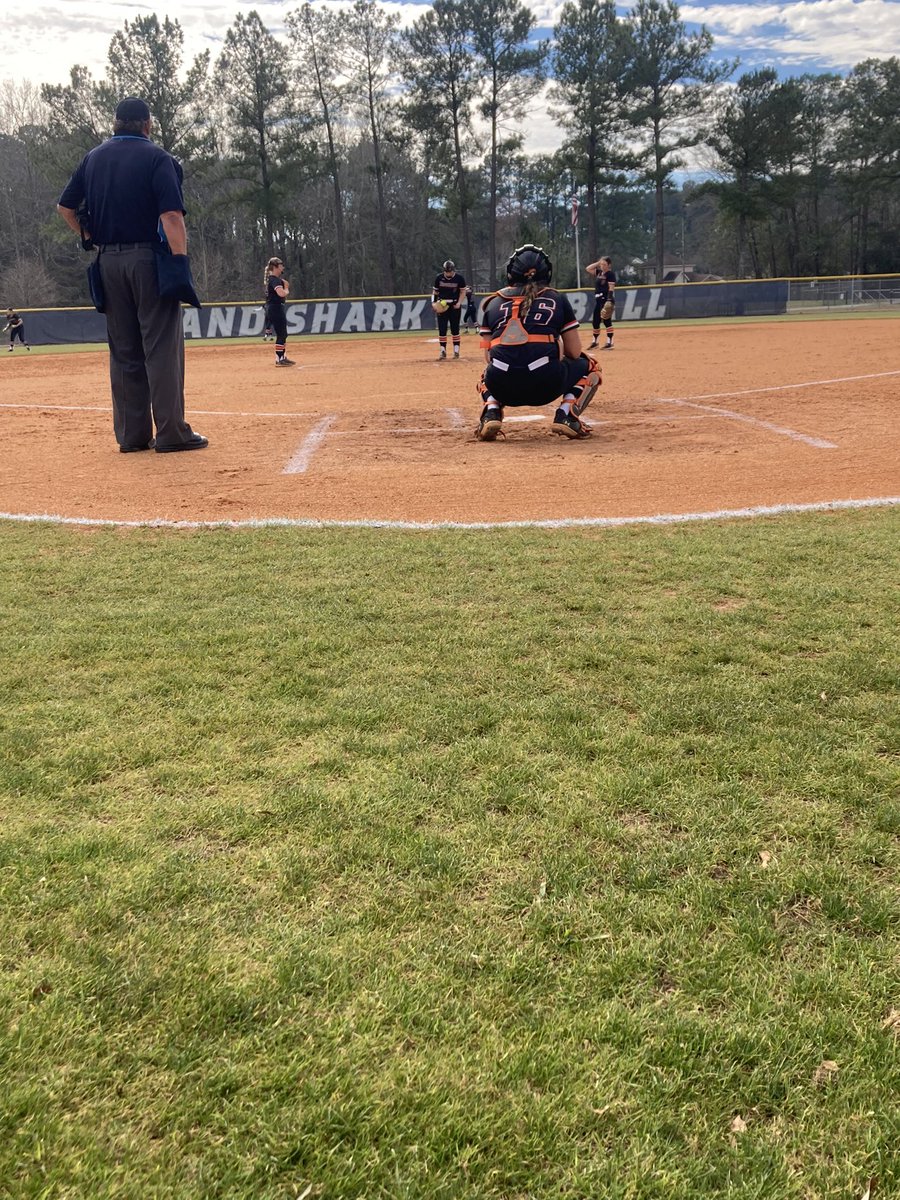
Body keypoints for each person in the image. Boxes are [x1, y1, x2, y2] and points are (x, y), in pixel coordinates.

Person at [56, 96, 207, 453]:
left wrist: (91, 237)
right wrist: (179, 260)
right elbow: (171, 216)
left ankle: (131, 436)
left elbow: (65, 207)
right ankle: (171, 433)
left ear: (116, 123)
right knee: (161, 348)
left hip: (108, 262)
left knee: (124, 351)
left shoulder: (92, 158)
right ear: (147, 124)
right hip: (148, 261)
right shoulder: (158, 158)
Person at [475, 244, 601, 442]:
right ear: (546, 272)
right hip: (546, 384)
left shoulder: (492, 303)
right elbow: (575, 352)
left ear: (511, 273)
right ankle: (567, 414)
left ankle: (491, 411)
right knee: (592, 366)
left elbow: (488, 356)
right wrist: (553, 349)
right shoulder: (556, 298)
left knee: (486, 374)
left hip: (503, 387)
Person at [431, 260, 466, 359]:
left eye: (449, 271)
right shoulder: (439, 278)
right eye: (446, 271)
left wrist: (459, 303)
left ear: (453, 270)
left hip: (454, 305)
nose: (448, 273)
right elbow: (435, 292)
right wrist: (433, 303)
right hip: (442, 306)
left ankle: (456, 351)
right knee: (442, 329)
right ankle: (443, 351)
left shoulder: (459, 279)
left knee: (455, 329)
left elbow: (463, 292)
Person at [264, 258, 294, 365]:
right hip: (275, 308)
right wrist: (286, 289)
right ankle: (279, 358)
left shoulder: (273, 279)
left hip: (274, 308)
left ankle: (282, 356)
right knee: (281, 333)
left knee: (283, 334)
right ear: (276, 266)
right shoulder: (274, 279)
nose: (283, 267)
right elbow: (281, 293)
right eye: (281, 265)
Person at [585, 255, 617, 349]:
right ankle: (595, 342)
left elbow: (611, 288)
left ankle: (610, 342)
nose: (602, 266)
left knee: (607, 321)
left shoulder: (610, 274)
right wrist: (598, 263)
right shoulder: (599, 273)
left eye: (604, 264)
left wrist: (609, 300)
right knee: (595, 321)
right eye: (601, 264)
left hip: (605, 299)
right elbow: (588, 269)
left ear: (609, 265)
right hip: (598, 300)